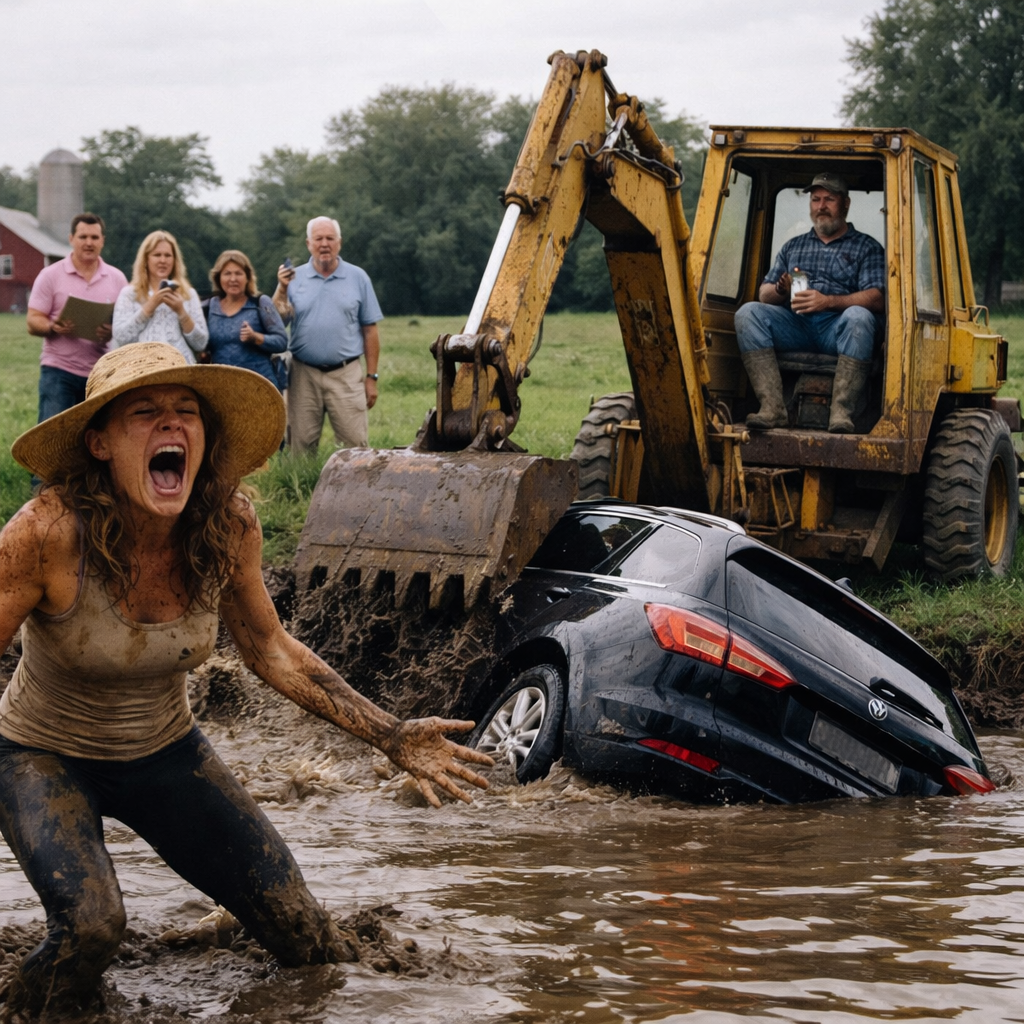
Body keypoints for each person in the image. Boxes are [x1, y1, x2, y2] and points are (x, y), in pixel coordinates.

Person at [0, 343, 491, 1019]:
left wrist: (393, 735)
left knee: (302, 929)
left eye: (186, 412)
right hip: (40, 754)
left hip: (162, 753)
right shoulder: (46, 532)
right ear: (101, 443)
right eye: (145, 412)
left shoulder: (227, 525)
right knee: (91, 926)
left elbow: (272, 650)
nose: (171, 426)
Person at [734, 171, 886, 433]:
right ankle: (772, 408)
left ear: (845, 204)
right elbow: (765, 294)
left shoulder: (866, 247)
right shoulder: (794, 246)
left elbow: (877, 297)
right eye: (816, 200)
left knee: (860, 318)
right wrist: (782, 290)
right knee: (748, 313)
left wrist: (828, 301)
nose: (821, 206)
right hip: (797, 326)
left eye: (829, 199)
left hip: (837, 329)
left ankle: (841, 413)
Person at [273, 217, 382, 454]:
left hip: (346, 373)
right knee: (299, 447)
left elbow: (370, 330)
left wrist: (372, 377)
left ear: (339, 243)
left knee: (355, 447)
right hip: (303, 374)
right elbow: (277, 322)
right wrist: (281, 288)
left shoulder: (358, 277)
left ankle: (356, 490)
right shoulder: (293, 279)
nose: (324, 244)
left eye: (330, 238)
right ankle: (301, 490)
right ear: (308, 243)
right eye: (318, 239)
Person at [25, 213, 128, 423]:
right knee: (52, 434)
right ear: (71, 239)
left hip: (99, 372)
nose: (89, 243)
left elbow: (125, 322)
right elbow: (33, 320)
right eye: (83, 237)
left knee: (94, 437)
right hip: (58, 369)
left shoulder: (117, 278)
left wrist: (111, 331)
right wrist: (53, 326)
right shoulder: (50, 275)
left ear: (102, 241)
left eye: (94, 237)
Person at [112, 230, 208, 364]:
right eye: (157, 255)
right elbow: (120, 337)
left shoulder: (188, 294)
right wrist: (149, 307)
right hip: (141, 369)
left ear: (175, 260)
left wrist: (181, 312)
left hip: (180, 369)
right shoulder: (129, 293)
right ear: (146, 259)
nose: (163, 260)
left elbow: (201, 343)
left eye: (168, 255)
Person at [204, 249, 288, 391]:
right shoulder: (209, 307)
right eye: (227, 274)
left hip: (260, 386)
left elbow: (281, 342)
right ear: (218, 278)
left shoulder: (260, 303)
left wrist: (256, 337)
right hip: (223, 388)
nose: (233, 279)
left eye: (238, 273)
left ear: (248, 277)